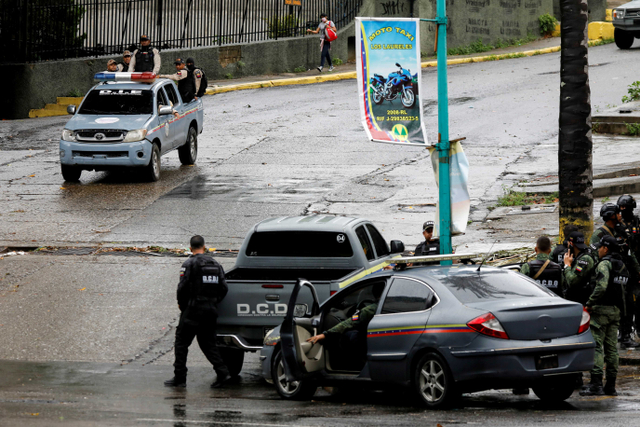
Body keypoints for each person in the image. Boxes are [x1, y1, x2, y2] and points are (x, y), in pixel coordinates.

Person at [164, 235, 230, 388]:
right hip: (210, 311)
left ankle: (180, 378)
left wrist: (182, 304)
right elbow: (224, 287)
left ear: (190, 247)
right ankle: (223, 373)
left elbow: (182, 287)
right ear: (204, 247)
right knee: (208, 344)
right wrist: (213, 301)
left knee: (181, 343)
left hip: (193, 310)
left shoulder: (189, 263)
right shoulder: (215, 264)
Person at [580, 235, 629, 397]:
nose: (599, 250)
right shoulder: (622, 266)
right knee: (612, 349)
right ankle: (611, 385)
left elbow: (601, 286)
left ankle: (595, 384)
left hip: (600, 310)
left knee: (596, 346)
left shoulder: (604, 264)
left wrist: (589, 303)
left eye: (600, 247)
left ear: (606, 248)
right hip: (616, 311)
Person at [306, 283, 384, 362]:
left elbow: (349, 323)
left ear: (376, 294)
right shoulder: (391, 306)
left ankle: (351, 362)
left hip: (370, 343)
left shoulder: (370, 310)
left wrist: (325, 334)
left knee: (349, 335)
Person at [617, 194, 640, 348]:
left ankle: (637, 329)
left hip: (637, 267)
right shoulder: (618, 226)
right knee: (625, 303)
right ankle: (624, 332)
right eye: (621, 208)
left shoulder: (637, 222)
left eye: (626, 208)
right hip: (624, 268)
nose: (623, 211)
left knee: (638, 300)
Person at [563, 231, 598, 305]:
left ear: (571, 244)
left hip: (581, 300)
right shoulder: (577, 257)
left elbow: (572, 281)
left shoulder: (584, 259)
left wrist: (567, 265)